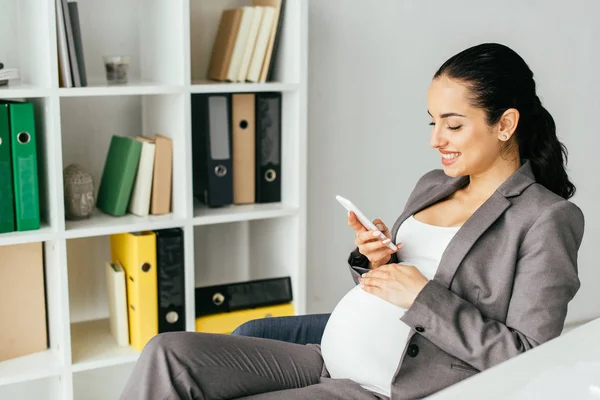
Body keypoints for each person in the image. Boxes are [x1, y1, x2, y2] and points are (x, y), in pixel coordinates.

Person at [119, 42, 585, 400]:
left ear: (505, 124)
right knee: (168, 354)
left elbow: (530, 357)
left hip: (381, 385)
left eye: (453, 124)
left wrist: (423, 296)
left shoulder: (545, 218)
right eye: (432, 123)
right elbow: (395, 281)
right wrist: (374, 260)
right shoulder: (434, 183)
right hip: (325, 356)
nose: (436, 139)